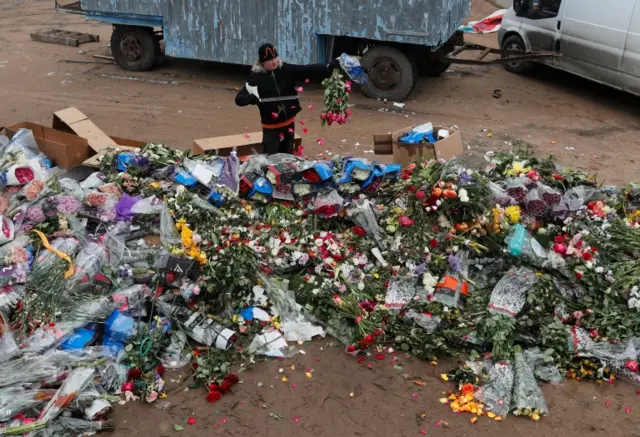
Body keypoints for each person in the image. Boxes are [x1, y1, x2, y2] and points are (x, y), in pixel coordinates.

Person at [235, 43, 340, 155]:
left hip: (289, 125)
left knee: (287, 158)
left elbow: (306, 70)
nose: (274, 62)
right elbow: (239, 99)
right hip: (270, 128)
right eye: (270, 60)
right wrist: (250, 99)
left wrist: (327, 67)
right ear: (262, 62)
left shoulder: (286, 69)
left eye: (275, 58)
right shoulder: (255, 78)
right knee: (270, 160)